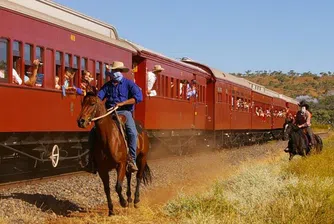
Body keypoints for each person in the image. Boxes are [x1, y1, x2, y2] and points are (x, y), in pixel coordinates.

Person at [88, 61, 143, 173]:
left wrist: (122, 103)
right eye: (113, 71)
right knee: (93, 132)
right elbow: (99, 99)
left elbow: (138, 97)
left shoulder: (129, 84)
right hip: (109, 112)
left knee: (132, 132)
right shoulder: (107, 86)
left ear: (121, 72)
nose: (115, 73)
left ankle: (132, 159)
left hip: (125, 112)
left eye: (117, 71)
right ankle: (92, 159)